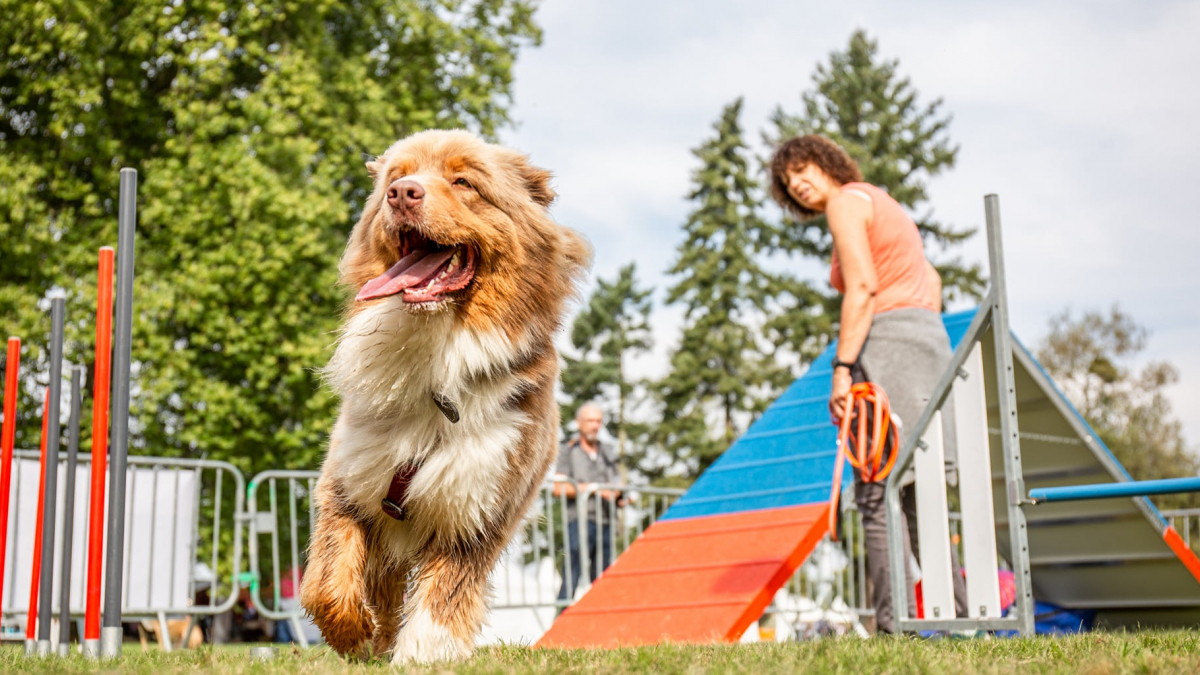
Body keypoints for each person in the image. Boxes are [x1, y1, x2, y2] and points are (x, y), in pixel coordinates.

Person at [768, 135, 966, 634]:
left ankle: (892, 624)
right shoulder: (882, 201)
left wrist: (842, 366)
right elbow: (933, 279)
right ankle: (964, 617)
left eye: (804, 170)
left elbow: (862, 288)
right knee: (922, 495)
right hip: (928, 341)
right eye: (791, 185)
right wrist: (920, 327)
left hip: (886, 345)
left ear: (827, 163)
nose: (801, 186)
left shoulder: (844, 204)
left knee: (877, 491)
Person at [552, 403, 622, 607]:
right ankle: (560, 624)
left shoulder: (607, 452)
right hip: (579, 521)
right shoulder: (567, 450)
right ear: (579, 423)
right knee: (572, 573)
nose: (595, 425)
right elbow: (558, 488)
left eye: (598, 421)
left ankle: (602, 623)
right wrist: (592, 488)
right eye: (590, 421)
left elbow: (617, 484)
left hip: (606, 520)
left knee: (603, 577)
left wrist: (618, 494)